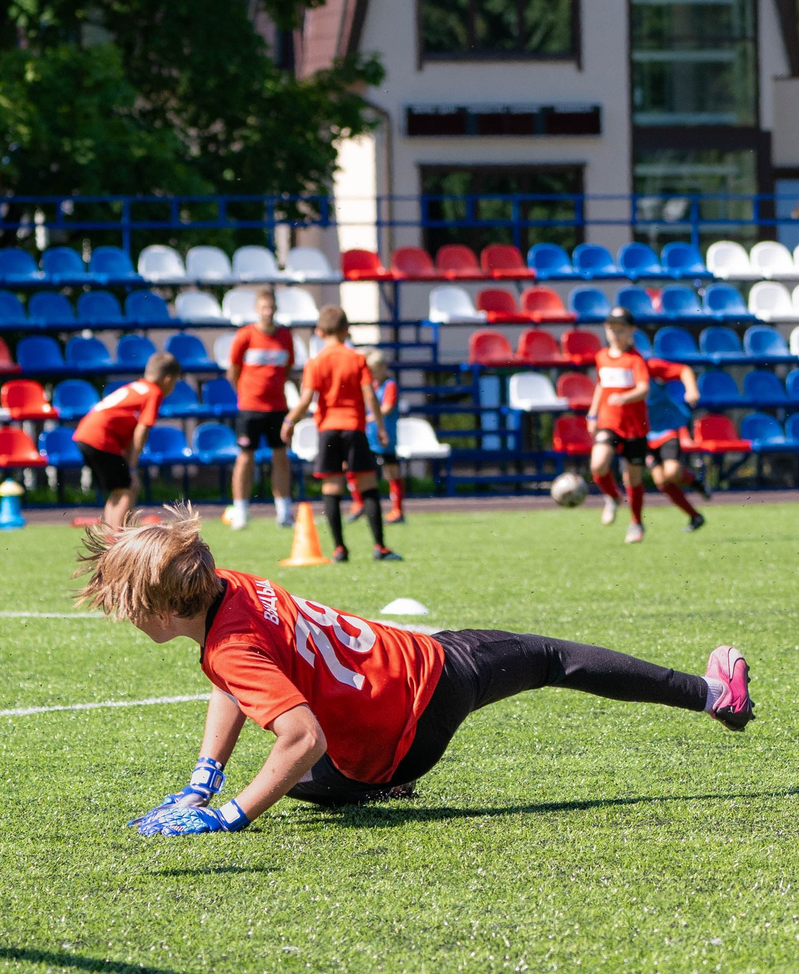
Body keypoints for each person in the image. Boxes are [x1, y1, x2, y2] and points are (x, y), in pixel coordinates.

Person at [81, 509, 753, 833]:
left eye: (126, 604)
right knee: (552, 659)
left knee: (301, 772)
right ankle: (712, 696)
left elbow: (301, 736)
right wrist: (203, 780)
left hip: (412, 707)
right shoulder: (227, 586)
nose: (123, 616)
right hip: (424, 676)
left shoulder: (226, 645)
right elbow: (235, 683)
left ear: (165, 608)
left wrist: (225, 816)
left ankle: (385, 781)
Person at [280, 306, 399, 563]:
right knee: (367, 485)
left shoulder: (316, 362)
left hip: (329, 430)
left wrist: (289, 421)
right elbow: (369, 395)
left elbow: (305, 400)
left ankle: (339, 549)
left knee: (332, 487)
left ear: (319, 332)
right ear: (346, 331)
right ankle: (379, 546)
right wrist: (379, 426)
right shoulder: (357, 359)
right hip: (354, 427)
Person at [588, 308, 699, 544]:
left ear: (631, 331)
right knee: (598, 464)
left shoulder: (636, 360)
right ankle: (611, 497)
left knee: (634, 478)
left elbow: (644, 388)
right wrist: (592, 414)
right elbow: (600, 384)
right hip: (609, 423)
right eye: (611, 329)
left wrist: (625, 398)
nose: (615, 334)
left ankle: (636, 522)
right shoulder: (602, 357)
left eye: (620, 330)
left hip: (635, 428)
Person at [73, 351, 182, 528]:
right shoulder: (153, 393)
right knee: (128, 488)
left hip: (85, 435)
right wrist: (131, 465)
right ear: (168, 379)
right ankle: (117, 540)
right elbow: (142, 429)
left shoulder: (137, 387)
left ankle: (110, 537)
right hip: (101, 439)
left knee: (120, 490)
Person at [224, 289, 298, 530]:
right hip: (250, 408)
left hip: (278, 406)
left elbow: (287, 369)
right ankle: (241, 512)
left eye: (271, 307)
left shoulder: (285, 336)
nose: (268, 312)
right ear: (257, 309)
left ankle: (283, 513)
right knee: (245, 458)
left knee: (281, 457)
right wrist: (245, 394)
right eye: (263, 307)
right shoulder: (245, 335)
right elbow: (233, 370)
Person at [641, 360, 709, 532]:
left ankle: (694, 480)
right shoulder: (618, 375)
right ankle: (695, 516)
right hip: (643, 434)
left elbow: (684, 370)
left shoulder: (648, 367)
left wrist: (692, 390)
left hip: (667, 428)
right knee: (661, 482)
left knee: (672, 472)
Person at [363, 348, 405, 525]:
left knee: (391, 471)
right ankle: (360, 505)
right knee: (362, 471)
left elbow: (387, 408)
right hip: (369, 436)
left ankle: (397, 510)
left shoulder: (390, 385)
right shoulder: (371, 386)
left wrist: (370, 417)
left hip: (385, 435)